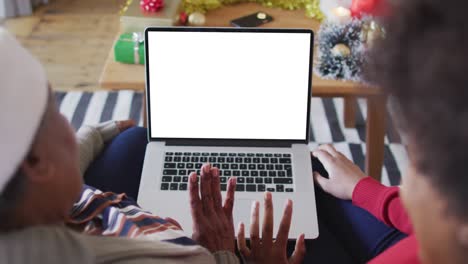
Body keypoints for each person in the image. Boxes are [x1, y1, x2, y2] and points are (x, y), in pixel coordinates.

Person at [0, 27, 305, 264]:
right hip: (202, 243)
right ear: (37, 162)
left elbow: (59, 169)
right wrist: (222, 253)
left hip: (116, 207)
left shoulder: (37, 207)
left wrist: (93, 132)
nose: (70, 124)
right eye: (55, 113)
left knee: (135, 137)